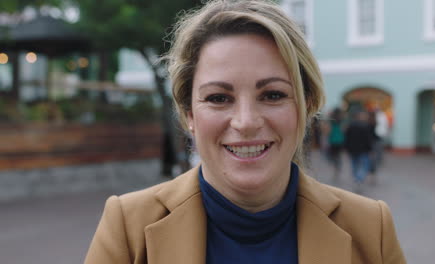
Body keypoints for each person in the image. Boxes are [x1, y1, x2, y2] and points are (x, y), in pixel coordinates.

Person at [85, 1, 406, 263]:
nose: (246, 121)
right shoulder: (128, 227)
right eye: (218, 98)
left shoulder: (371, 227)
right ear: (189, 114)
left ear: (306, 107)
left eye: (273, 95)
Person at [344, 110, 374, 190]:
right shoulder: (366, 126)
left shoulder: (350, 125)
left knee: (354, 164)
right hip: (363, 150)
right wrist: (370, 149)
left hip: (353, 149)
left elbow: (347, 138)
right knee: (365, 166)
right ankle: (359, 178)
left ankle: (357, 178)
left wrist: (346, 148)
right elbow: (368, 139)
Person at [326, 107, 345, 180]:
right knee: (338, 155)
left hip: (333, 140)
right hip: (340, 140)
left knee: (333, 155)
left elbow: (328, 131)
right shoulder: (342, 121)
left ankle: (336, 167)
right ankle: (338, 167)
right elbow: (343, 130)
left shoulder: (331, 121)